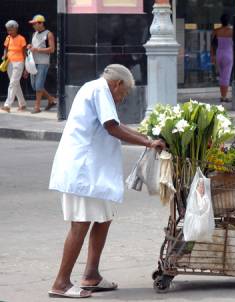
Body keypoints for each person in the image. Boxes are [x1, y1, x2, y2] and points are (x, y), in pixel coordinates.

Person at [48, 64, 165, 298]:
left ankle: (91, 275)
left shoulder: (96, 88)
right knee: (80, 223)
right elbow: (112, 127)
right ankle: (61, 282)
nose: (123, 98)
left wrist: (146, 138)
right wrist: (147, 142)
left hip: (93, 172)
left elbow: (115, 124)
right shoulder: (100, 90)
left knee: (104, 218)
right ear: (118, 84)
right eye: (124, 93)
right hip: (84, 171)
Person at [26, 14, 57, 114]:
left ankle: (37, 107)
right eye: (33, 24)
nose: (33, 25)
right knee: (34, 86)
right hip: (33, 63)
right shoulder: (34, 34)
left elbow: (52, 49)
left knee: (38, 85)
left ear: (41, 23)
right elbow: (34, 47)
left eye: (35, 24)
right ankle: (51, 99)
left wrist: (37, 49)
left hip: (43, 63)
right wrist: (30, 46)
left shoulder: (49, 34)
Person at [1, 20, 27, 113]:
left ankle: (7, 105)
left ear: (16, 28)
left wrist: (26, 68)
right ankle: (23, 104)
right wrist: (4, 55)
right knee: (15, 84)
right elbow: (6, 48)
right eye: (8, 30)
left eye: (11, 30)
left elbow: (24, 53)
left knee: (12, 83)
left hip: (19, 63)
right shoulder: (8, 38)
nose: (9, 32)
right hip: (9, 63)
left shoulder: (21, 39)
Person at [211, 14, 233, 103]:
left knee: (221, 76)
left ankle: (222, 95)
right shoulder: (232, 31)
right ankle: (224, 96)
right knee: (226, 76)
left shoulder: (216, 31)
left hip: (219, 53)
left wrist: (212, 56)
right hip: (229, 54)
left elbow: (212, 44)